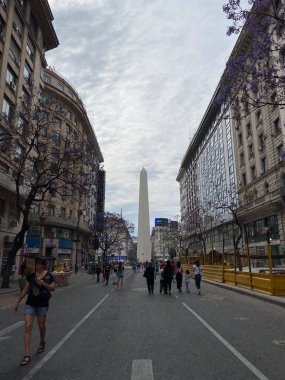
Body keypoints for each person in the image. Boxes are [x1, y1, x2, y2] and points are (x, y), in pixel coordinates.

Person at [14, 257, 55, 366]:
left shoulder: (48, 275)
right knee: (28, 326)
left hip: (42, 305)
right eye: (36, 264)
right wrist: (17, 302)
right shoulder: (31, 276)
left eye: (39, 264)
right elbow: (25, 290)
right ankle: (26, 355)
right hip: (30, 304)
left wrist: (44, 284)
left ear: (43, 265)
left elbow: (53, 288)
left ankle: (42, 341)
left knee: (41, 325)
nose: (37, 265)